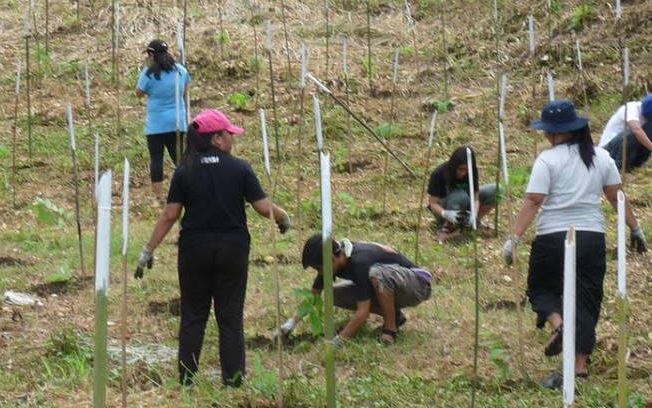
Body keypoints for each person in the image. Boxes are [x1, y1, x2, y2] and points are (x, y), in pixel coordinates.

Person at [134, 109, 291, 387]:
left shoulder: (185, 171)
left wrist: (148, 250)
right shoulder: (240, 168)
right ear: (216, 139)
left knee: (193, 315)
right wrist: (282, 216)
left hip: (194, 250)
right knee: (230, 317)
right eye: (229, 134)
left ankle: (186, 380)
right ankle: (233, 380)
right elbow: (261, 207)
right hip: (233, 250)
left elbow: (170, 215)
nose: (233, 138)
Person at [503, 100, 647, 389]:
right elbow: (616, 197)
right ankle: (580, 365)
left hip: (553, 237)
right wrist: (636, 228)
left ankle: (559, 324)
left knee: (541, 288)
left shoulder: (547, 160)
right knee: (587, 298)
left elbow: (533, 201)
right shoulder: (601, 157)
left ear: (556, 133)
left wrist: (513, 239)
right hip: (591, 237)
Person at [283, 234, 432, 346]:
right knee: (331, 294)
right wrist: (291, 323)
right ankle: (395, 316)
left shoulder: (360, 262)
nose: (320, 273)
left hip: (417, 285)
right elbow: (314, 297)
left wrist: (338, 341)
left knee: (377, 274)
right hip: (392, 286)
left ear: (331, 259)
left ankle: (390, 330)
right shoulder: (332, 267)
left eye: (319, 268)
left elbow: (363, 313)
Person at [135, 39, 190, 199]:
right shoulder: (181, 71)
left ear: (151, 54)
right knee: (180, 158)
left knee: (156, 159)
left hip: (156, 124)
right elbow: (185, 93)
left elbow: (138, 93)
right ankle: (188, 189)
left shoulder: (149, 73)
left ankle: (158, 196)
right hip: (177, 122)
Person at [599, 92, 652, 172]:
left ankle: (634, 165)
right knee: (633, 135)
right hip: (608, 151)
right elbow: (637, 131)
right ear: (651, 111)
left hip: (625, 149)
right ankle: (618, 167)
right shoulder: (630, 109)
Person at [426, 145, 497, 235]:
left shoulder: (472, 172)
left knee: (495, 190)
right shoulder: (440, 173)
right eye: (460, 169)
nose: (463, 173)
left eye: (466, 170)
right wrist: (445, 213)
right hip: (445, 210)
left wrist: (474, 214)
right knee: (461, 196)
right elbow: (433, 203)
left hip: (465, 204)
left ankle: (473, 222)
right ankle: (449, 226)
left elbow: (475, 198)